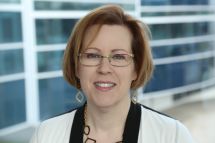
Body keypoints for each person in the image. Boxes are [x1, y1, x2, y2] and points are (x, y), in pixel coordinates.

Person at [30, 5, 195, 143]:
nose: (104, 68)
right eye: (92, 55)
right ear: (76, 66)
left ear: (136, 69)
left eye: (118, 56)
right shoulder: (46, 135)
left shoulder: (172, 135)